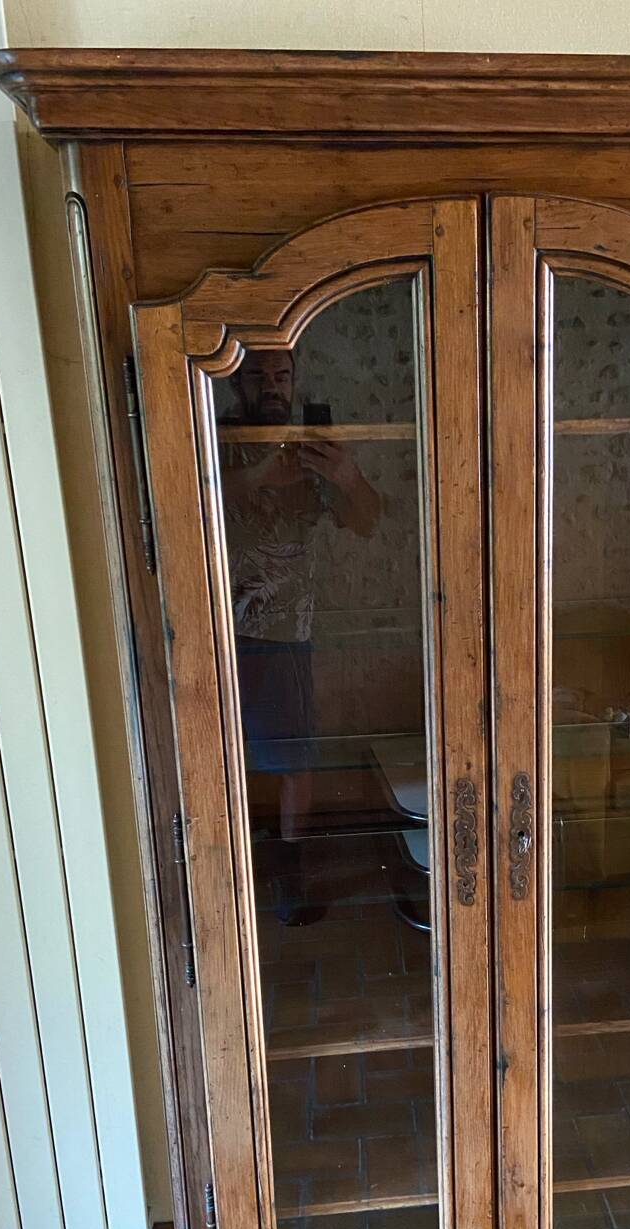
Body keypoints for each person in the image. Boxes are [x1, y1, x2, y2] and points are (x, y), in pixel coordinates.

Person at [219, 347, 382, 922]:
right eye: (258, 374)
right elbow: (184, 501)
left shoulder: (313, 450)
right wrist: (260, 474)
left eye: (282, 375)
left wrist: (347, 475)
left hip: (285, 632)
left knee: (294, 758)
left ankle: (290, 873)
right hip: (209, 630)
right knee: (217, 759)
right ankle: (227, 874)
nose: (272, 385)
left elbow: (366, 521)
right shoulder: (210, 438)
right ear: (236, 381)